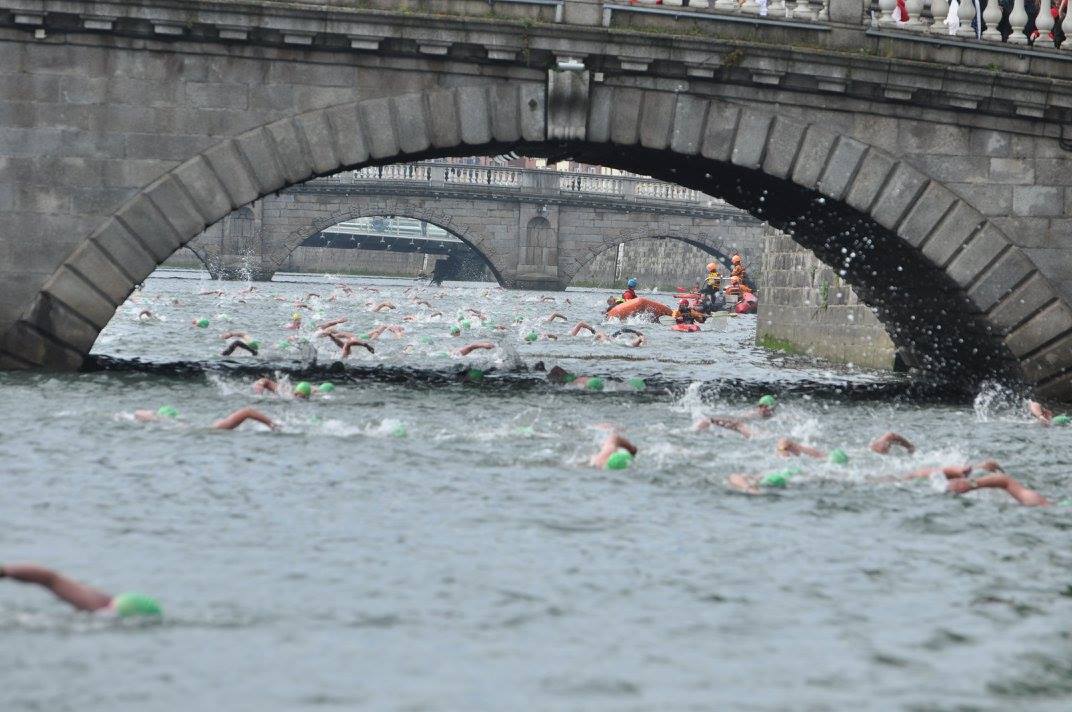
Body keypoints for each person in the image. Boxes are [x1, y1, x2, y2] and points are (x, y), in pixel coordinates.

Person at [0, 563, 162, 617]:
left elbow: (50, 579)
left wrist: (6, 571)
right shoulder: (97, 607)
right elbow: (49, 579)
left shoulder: (97, 604)